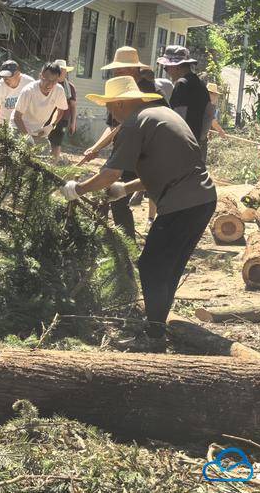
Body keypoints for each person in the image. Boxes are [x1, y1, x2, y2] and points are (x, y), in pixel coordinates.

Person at [61, 75, 217, 349]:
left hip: (181, 203)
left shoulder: (134, 124)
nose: (110, 112)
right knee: (168, 267)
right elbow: (165, 169)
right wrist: (126, 188)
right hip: (202, 199)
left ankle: (154, 336)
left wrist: (78, 189)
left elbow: (109, 173)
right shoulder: (160, 115)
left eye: (110, 106)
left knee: (151, 266)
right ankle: (157, 325)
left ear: (121, 103)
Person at [80, 47, 163, 240]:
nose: (117, 74)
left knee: (114, 188)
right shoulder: (117, 89)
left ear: (134, 69)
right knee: (109, 192)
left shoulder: (148, 91)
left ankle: (127, 243)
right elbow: (113, 126)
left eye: (121, 71)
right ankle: (105, 239)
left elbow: (135, 123)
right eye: (115, 71)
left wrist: (79, 188)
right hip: (124, 148)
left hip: (144, 151)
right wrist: (96, 147)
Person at [160, 45, 210, 142]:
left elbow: (177, 120)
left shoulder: (182, 84)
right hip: (196, 141)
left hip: (182, 143)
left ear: (177, 66)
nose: (166, 71)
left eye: (166, 68)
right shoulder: (199, 83)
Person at [10, 62, 69, 144]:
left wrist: (51, 125)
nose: (49, 84)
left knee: (44, 153)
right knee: (20, 153)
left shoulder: (59, 90)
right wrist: (26, 136)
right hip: (18, 127)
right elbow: (17, 117)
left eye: (54, 81)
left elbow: (60, 109)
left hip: (37, 131)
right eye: (47, 80)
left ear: (58, 79)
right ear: (40, 76)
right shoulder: (28, 91)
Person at [48, 59, 78, 162]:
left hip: (63, 119)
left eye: (63, 71)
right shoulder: (49, 84)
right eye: (60, 70)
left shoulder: (70, 87)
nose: (62, 73)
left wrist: (73, 123)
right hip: (47, 117)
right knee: (46, 140)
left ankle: (53, 164)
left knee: (57, 142)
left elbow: (73, 106)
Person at [0, 60, 33, 126]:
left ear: (18, 74)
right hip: (4, 126)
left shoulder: (29, 83)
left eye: (8, 76)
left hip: (24, 124)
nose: (5, 79)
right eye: (3, 76)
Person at [199, 82, 227, 162]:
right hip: (198, 138)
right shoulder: (208, 105)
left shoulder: (205, 103)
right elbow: (212, 121)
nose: (216, 97)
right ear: (209, 94)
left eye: (216, 95)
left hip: (200, 137)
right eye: (214, 94)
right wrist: (221, 131)